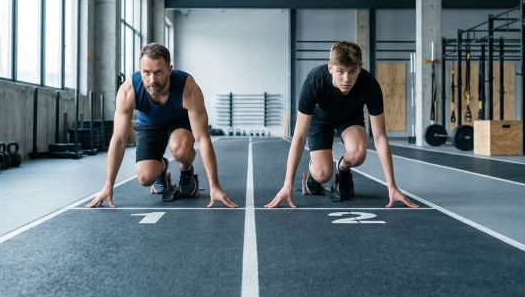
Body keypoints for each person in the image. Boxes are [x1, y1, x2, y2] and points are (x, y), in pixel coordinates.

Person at [265, 41, 418, 209]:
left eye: (352, 72)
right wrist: (287, 185)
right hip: (320, 119)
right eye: (340, 72)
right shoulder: (314, 80)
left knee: (359, 153)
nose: (347, 79)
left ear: (359, 69)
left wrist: (392, 186)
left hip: (350, 117)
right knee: (323, 173)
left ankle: (343, 169)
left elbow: (380, 137)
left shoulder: (369, 84)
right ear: (330, 68)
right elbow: (300, 136)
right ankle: (312, 173)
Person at [86, 43, 238, 209]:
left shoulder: (188, 88)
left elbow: (203, 139)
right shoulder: (128, 90)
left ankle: (186, 170)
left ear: (169, 69)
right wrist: (108, 185)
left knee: (180, 149)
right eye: (146, 73)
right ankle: (162, 168)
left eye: (158, 72)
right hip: (150, 125)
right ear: (140, 69)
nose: (152, 80)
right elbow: (119, 140)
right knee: (145, 177)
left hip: (179, 123)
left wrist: (214, 186)